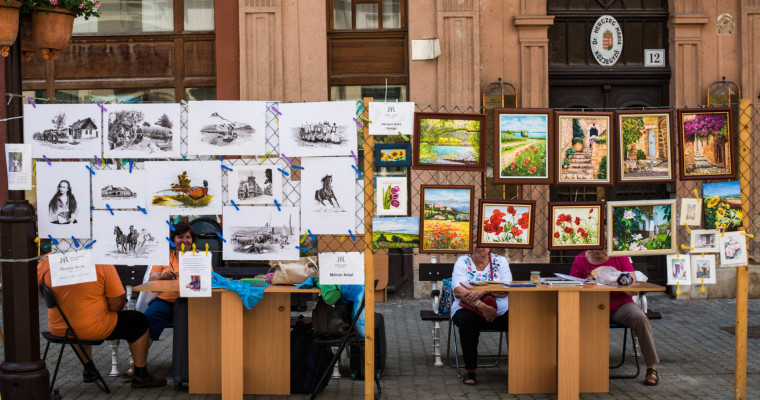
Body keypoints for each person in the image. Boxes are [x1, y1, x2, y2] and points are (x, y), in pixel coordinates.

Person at [37, 258, 166, 388]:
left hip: (60, 328)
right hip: (93, 328)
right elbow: (116, 305)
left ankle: (89, 369)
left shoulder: (47, 261)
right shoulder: (100, 261)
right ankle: (141, 374)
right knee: (139, 321)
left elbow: (40, 293)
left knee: (78, 321)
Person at [570, 249, 660, 386]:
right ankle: (573, 365)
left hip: (620, 305)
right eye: (597, 246)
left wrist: (614, 281)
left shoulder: (620, 258)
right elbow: (572, 287)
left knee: (641, 318)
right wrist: (588, 283)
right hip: (591, 306)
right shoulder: (580, 258)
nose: (601, 250)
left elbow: (634, 289)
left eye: (604, 245)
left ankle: (651, 368)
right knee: (568, 319)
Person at [451, 240, 512, 385]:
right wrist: (482, 305)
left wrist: (483, 290)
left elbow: (506, 288)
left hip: (501, 310)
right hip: (468, 308)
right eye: (473, 242)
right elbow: (459, 291)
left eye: (482, 241)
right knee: (467, 320)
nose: (479, 246)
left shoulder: (500, 261)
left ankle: (521, 367)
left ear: (490, 243)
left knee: (518, 318)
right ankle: (470, 370)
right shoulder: (462, 262)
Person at [143, 222, 197, 344]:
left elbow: (209, 279)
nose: (184, 240)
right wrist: (163, 277)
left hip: (193, 302)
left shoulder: (199, 256)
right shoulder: (164, 257)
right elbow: (152, 280)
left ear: (192, 240)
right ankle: (140, 361)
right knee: (147, 319)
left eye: (188, 237)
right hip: (165, 301)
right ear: (173, 239)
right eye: (180, 237)